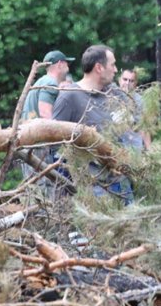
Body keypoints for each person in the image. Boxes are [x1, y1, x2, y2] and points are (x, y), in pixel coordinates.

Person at [53, 45, 133, 204]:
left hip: (121, 181)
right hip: (93, 187)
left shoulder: (114, 93)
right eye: (112, 64)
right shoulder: (70, 97)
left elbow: (129, 125)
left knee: (133, 227)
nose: (116, 69)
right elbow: (55, 145)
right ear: (99, 67)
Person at [22, 50, 75, 121]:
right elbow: (45, 114)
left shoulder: (43, 81)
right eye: (66, 63)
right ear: (60, 64)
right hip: (38, 130)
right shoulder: (50, 83)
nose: (68, 67)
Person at [118, 68, 152, 150]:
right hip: (115, 147)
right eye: (125, 79)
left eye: (131, 81)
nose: (127, 83)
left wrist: (150, 149)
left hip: (134, 147)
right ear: (119, 80)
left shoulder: (140, 101)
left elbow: (144, 127)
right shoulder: (110, 96)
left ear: (135, 83)